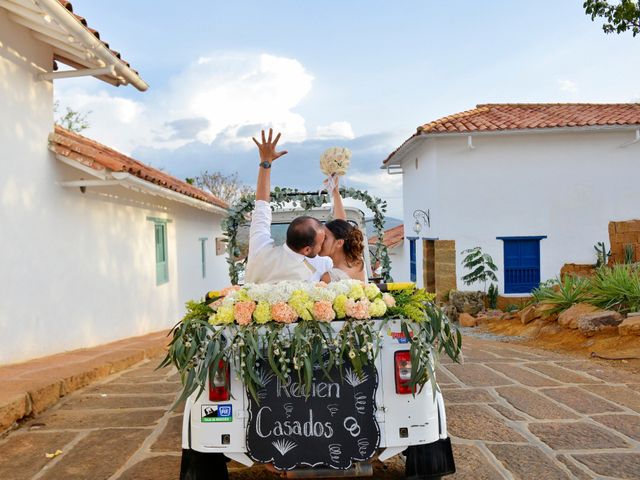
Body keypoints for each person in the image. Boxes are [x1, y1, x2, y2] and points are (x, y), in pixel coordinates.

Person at [245, 129, 333, 284]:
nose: (323, 247)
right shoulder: (311, 274)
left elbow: (261, 207)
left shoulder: (259, 250)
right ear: (306, 250)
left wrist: (266, 162)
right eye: (320, 244)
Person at [320, 175, 367, 282]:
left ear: (339, 243)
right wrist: (335, 191)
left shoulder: (329, 277)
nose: (320, 240)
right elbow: (343, 226)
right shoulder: (358, 262)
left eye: (325, 238)